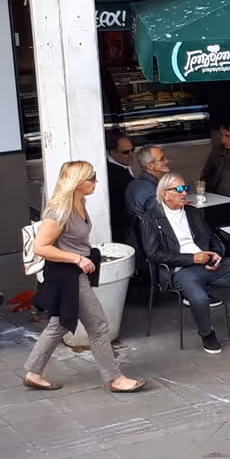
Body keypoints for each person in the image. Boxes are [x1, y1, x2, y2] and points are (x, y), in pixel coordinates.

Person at [23, 161, 145, 394]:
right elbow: (40, 247)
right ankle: (114, 378)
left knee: (59, 322)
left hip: (73, 270)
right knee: (98, 325)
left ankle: (33, 372)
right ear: (77, 183)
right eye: (91, 178)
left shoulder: (80, 202)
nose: (95, 182)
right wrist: (77, 258)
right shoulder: (60, 211)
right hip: (66, 274)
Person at [138, 172, 230, 352]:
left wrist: (216, 254)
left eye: (185, 188)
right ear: (165, 195)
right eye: (179, 189)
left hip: (208, 262)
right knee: (199, 298)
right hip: (181, 270)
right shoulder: (151, 219)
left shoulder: (193, 212)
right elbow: (153, 254)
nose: (184, 193)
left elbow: (212, 238)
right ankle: (207, 334)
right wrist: (191, 258)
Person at [125, 144, 172, 227]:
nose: (167, 161)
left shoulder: (134, 184)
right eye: (162, 159)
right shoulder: (150, 190)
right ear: (150, 166)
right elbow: (163, 218)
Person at [104, 135, 135, 235]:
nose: (131, 154)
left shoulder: (122, 165)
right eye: (125, 152)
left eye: (132, 150)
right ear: (112, 151)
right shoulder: (112, 173)